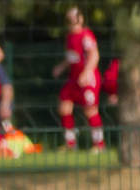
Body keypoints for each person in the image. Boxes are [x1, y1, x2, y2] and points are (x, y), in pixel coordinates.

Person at [52, 6, 104, 152]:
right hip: (73, 79)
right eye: (69, 18)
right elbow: (72, 58)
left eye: (75, 18)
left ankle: (99, 144)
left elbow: (94, 55)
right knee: (64, 107)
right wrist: (61, 67)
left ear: (80, 19)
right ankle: (70, 143)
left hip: (88, 79)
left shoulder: (86, 35)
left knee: (90, 110)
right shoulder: (69, 37)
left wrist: (86, 72)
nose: (72, 21)